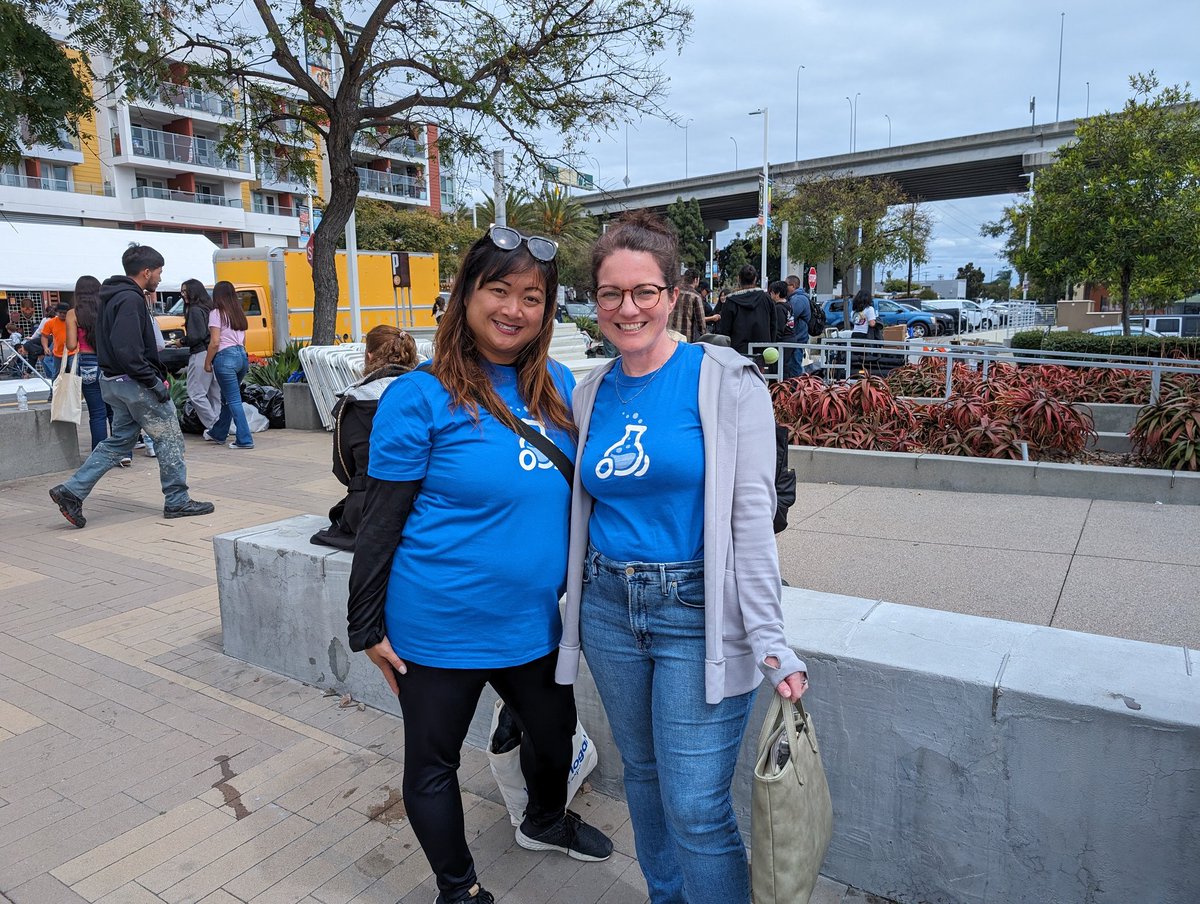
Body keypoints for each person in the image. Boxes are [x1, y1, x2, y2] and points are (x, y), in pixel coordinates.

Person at [346, 226, 613, 904]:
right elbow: (379, 520)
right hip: (436, 624)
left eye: (532, 296)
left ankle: (544, 820)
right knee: (432, 764)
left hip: (529, 622)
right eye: (499, 289)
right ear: (466, 295)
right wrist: (366, 625)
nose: (514, 309)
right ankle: (458, 889)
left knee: (554, 741)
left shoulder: (557, 385)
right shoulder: (419, 395)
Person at [555, 211, 808, 904]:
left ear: (673, 295)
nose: (627, 308)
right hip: (608, 607)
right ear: (595, 301)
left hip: (696, 609)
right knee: (642, 773)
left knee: (696, 804)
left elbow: (752, 520)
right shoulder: (590, 391)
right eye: (611, 293)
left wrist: (771, 640)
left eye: (644, 292)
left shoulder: (725, 380)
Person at [49, 244, 215, 528]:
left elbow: (109, 344)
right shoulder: (130, 299)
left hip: (113, 382)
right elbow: (128, 349)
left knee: (119, 441)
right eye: (159, 272)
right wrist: (152, 381)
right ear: (147, 271)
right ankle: (177, 500)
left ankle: (72, 490)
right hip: (134, 383)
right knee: (169, 437)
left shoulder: (109, 297)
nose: (161, 278)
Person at [310, 325, 419, 551]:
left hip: (370, 509)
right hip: (424, 508)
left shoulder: (353, 402)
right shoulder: (429, 393)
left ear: (369, 355)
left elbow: (343, 470)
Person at [203, 281, 254, 450]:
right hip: (241, 356)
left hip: (226, 357)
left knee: (232, 400)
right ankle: (218, 432)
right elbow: (244, 339)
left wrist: (207, 361)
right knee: (228, 398)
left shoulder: (216, 313)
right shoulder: (238, 313)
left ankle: (244, 439)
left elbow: (215, 341)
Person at [64, 276, 113, 452]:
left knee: (97, 413)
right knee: (114, 410)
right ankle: (122, 453)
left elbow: (70, 345)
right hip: (108, 362)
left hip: (87, 363)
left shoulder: (73, 313)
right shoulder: (107, 309)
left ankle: (100, 454)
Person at [181, 279, 221, 430]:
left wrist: (181, 341)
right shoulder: (209, 308)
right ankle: (220, 424)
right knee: (214, 393)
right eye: (182, 291)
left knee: (196, 393)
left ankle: (214, 425)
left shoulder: (195, 310)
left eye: (185, 291)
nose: (183, 294)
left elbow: (196, 336)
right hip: (214, 352)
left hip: (200, 353)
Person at [715, 264, 777, 356]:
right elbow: (773, 325)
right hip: (762, 350)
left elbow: (725, 329)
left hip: (737, 351)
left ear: (739, 278)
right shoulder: (766, 298)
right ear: (755, 278)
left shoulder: (731, 301)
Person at [666, 267, 707, 343]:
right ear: (696, 280)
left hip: (669, 335)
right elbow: (701, 323)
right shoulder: (695, 296)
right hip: (685, 338)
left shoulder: (672, 293)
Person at [784, 274, 812, 379]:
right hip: (798, 336)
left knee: (794, 364)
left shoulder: (798, 299)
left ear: (793, 286)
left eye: (786, 285)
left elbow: (790, 316)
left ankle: (795, 389)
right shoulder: (798, 298)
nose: (785, 287)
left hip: (798, 337)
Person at [849, 287, 878, 374]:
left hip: (854, 335)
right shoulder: (869, 309)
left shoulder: (854, 311)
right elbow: (872, 323)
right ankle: (864, 375)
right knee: (864, 359)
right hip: (865, 335)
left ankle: (855, 373)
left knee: (855, 358)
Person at [41, 302, 71, 380]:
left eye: (65, 313)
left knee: (73, 373)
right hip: (58, 353)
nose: (62, 314)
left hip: (72, 352)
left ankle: (73, 391)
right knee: (57, 374)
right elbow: (44, 336)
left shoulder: (72, 321)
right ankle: (54, 391)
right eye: (60, 312)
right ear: (56, 312)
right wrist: (45, 347)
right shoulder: (50, 322)